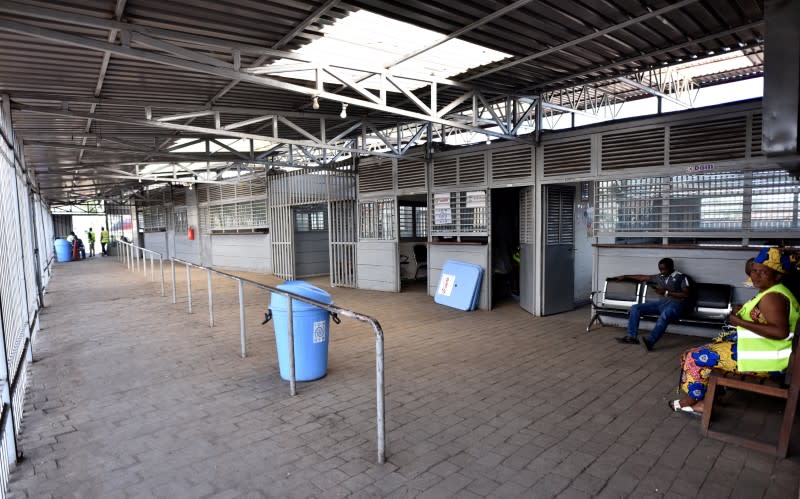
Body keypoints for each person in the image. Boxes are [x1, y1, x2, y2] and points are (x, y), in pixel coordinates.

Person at [670, 247, 799, 416]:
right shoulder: (773, 291)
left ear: (777, 275)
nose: (756, 276)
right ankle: (711, 394)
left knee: (693, 358)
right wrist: (744, 311)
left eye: (763, 272)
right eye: (754, 271)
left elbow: (780, 331)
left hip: (765, 360)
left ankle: (692, 403)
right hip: (763, 352)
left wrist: (739, 321)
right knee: (694, 353)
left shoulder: (772, 297)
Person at [614, 257, 691, 351]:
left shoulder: (681, 277)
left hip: (675, 305)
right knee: (635, 308)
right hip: (661, 304)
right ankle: (631, 337)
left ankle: (650, 342)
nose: (662, 271)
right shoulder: (660, 277)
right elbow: (643, 277)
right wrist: (625, 276)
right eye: (660, 269)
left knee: (664, 315)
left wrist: (666, 292)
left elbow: (686, 294)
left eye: (664, 269)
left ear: (671, 267)